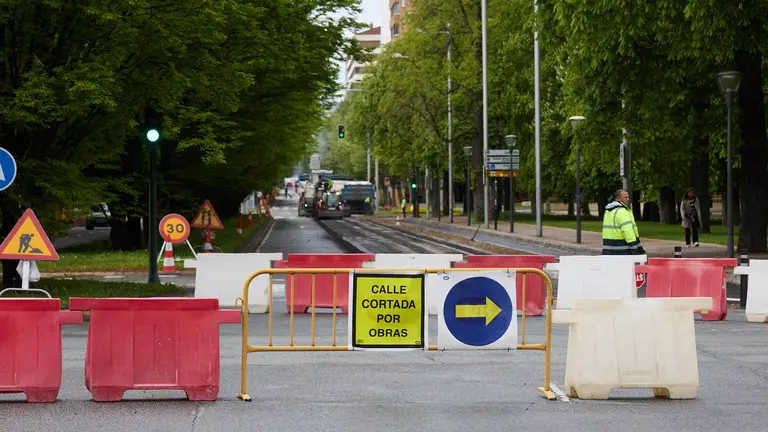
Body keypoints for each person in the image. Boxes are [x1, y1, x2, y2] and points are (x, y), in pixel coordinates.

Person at [602, 189, 645, 255]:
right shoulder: (622, 211)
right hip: (622, 249)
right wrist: (634, 247)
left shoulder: (608, 211)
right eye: (625, 197)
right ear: (618, 198)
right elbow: (627, 230)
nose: (628, 199)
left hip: (608, 248)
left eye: (628, 197)